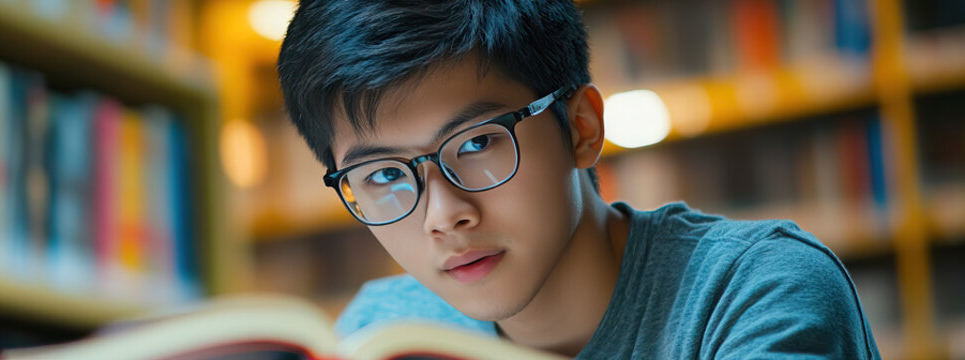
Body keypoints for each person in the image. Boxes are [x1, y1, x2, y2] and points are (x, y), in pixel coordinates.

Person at [276, 1, 880, 358]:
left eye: (479, 142)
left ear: (583, 126)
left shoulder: (752, 292)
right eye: (382, 174)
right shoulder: (384, 333)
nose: (443, 216)